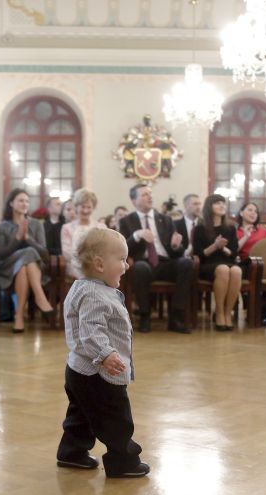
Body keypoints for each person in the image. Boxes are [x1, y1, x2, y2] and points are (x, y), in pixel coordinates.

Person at [56, 227, 149, 478]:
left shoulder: (81, 287)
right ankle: (123, 462)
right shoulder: (95, 295)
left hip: (78, 371)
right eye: (121, 260)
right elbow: (90, 331)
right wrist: (106, 354)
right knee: (117, 419)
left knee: (81, 415)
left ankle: (71, 453)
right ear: (99, 264)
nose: (126, 265)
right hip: (98, 374)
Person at [119, 184, 193, 334]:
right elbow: (122, 249)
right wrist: (136, 236)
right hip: (143, 263)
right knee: (140, 267)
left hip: (165, 263)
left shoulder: (165, 219)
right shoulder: (126, 221)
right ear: (134, 200)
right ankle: (145, 315)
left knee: (186, 263)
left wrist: (175, 246)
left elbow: (176, 252)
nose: (150, 197)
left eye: (150, 194)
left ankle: (176, 317)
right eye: (145, 194)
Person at [0, 188, 54, 332]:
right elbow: (1, 254)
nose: (25, 204)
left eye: (27, 201)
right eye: (21, 200)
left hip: (34, 269)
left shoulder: (36, 224)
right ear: (11, 203)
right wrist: (17, 238)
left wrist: (28, 238)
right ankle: (40, 297)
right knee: (28, 252)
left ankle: (19, 317)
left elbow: (44, 253)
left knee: (23, 267)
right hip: (8, 268)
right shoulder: (2, 226)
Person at [193, 194, 241, 331]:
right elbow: (199, 253)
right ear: (209, 207)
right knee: (223, 269)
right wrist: (215, 246)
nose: (221, 206)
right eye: (217, 203)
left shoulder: (230, 228)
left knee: (236, 270)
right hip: (208, 264)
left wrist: (223, 247)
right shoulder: (200, 228)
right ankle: (219, 312)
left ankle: (228, 312)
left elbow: (234, 253)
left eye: (223, 203)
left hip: (227, 261)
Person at [61, 189, 105, 279]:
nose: (85, 210)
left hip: (97, 265)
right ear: (76, 207)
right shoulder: (67, 228)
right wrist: (86, 261)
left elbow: (104, 250)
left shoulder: (101, 227)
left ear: (93, 208)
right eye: (83, 207)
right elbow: (67, 253)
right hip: (75, 266)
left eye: (89, 207)